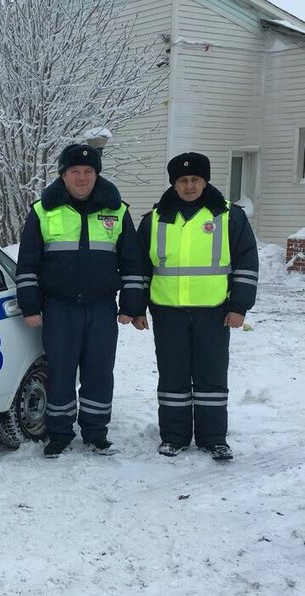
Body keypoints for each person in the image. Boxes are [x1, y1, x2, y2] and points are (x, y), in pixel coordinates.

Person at [15, 143, 145, 458]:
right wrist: (30, 306)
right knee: (60, 371)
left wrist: (131, 306)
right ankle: (59, 433)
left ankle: (96, 433)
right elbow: (28, 264)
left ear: (96, 175)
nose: (82, 177)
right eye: (75, 171)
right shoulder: (42, 211)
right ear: (64, 174)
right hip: (59, 307)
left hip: (101, 307)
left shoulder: (117, 211)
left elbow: (132, 264)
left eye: (88, 171)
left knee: (99, 371)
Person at [133, 152, 258, 461]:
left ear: (205, 181)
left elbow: (246, 264)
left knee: (211, 376)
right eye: (183, 180)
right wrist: (136, 308)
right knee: (172, 375)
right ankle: (174, 437)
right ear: (174, 184)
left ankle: (213, 437)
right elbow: (138, 268)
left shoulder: (229, 216)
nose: (189, 186)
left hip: (214, 310)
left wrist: (239, 306)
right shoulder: (154, 219)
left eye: (195, 180)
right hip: (167, 310)